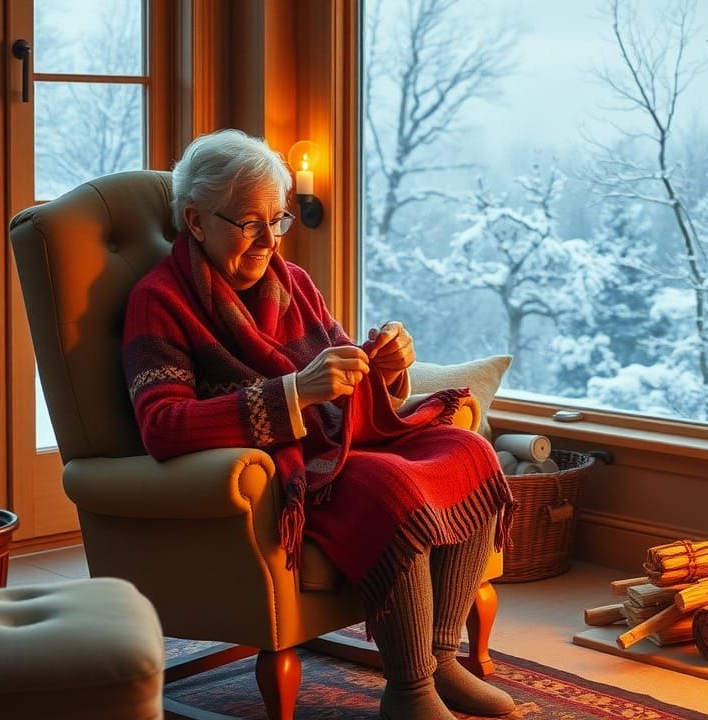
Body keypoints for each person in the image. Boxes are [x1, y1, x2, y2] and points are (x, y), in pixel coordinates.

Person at [122, 128, 516, 719]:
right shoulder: (159, 300)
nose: (266, 242)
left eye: (276, 221)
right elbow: (163, 425)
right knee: (391, 488)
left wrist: (381, 366)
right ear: (196, 221)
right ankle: (408, 690)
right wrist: (292, 393)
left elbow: (339, 375)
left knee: (468, 449)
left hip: (335, 443)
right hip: (286, 476)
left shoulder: (293, 282)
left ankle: (440, 659)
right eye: (248, 222)